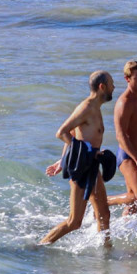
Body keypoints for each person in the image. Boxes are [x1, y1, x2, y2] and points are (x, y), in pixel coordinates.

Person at [40, 71, 115, 245]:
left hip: (92, 167)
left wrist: (61, 159)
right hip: (81, 168)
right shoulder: (86, 107)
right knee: (74, 222)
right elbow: (62, 132)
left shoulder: (95, 108)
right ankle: (39, 246)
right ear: (102, 86)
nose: (114, 87)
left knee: (104, 214)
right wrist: (86, 152)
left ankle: (106, 255)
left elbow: (74, 133)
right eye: (111, 83)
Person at [107, 61, 137, 216]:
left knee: (134, 201)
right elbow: (120, 135)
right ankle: (104, 201)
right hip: (128, 156)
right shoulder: (124, 103)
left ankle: (125, 228)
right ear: (128, 79)